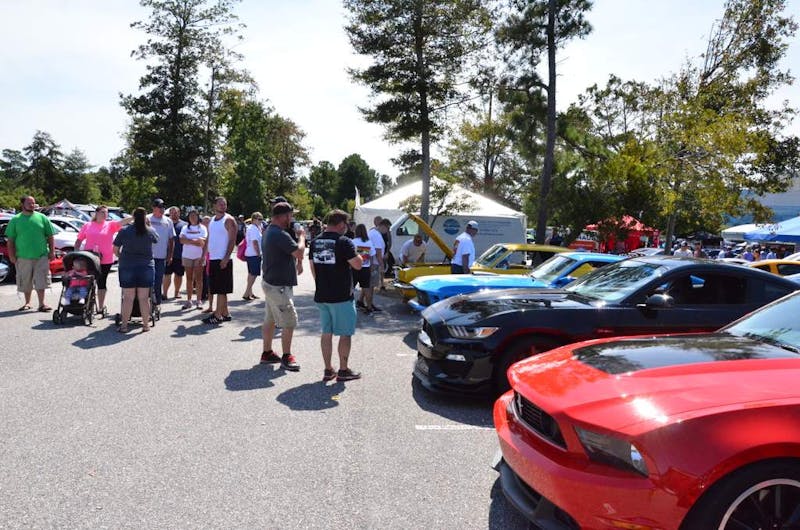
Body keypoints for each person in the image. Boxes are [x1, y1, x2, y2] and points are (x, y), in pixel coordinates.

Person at [309, 209, 364, 382]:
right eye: (346, 225)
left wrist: (321, 284)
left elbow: (313, 267)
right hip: (341, 296)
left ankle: (327, 369)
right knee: (345, 333)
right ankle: (343, 370)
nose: (347, 228)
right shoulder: (344, 242)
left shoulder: (315, 242)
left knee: (326, 332)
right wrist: (361, 255)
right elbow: (357, 265)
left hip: (322, 294)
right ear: (341, 224)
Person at [260, 201, 306, 371]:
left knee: (270, 319)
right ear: (284, 216)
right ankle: (287, 357)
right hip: (278, 286)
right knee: (289, 321)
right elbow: (299, 252)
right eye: (290, 215)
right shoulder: (279, 234)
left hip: (271, 283)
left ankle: (267, 352)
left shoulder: (270, 231)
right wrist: (302, 236)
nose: (292, 219)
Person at [75, 205, 133, 313]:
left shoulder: (110, 225)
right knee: (88, 281)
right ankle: (85, 305)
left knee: (102, 282)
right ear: (96, 213)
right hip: (90, 258)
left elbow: (121, 222)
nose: (105, 214)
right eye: (102, 212)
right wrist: (76, 252)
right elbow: (79, 240)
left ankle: (100, 307)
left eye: (106, 212)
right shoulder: (88, 225)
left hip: (105, 259)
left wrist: (133, 217)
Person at [5, 195, 56, 312]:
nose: (32, 205)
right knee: (25, 281)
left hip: (41, 256)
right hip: (23, 257)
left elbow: (50, 236)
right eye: (29, 203)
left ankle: (42, 304)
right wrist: (12, 256)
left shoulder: (42, 218)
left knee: (41, 280)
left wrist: (52, 251)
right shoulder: (15, 220)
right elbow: (10, 240)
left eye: (33, 203)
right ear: (22, 204)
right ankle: (27, 303)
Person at [113, 207, 159, 333]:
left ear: (133, 216)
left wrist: (120, 257)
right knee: (144, 298)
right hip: (146, 267)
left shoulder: (124, 231)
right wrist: (148, 225)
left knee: (128, 298)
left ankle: (124, 326)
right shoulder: (150, 231)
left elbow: (115, 249)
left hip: (127, 265)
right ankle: (145, 325)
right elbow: (156, 240)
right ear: (145, 217)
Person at [203, 197, 237, 325]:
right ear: (214, 206)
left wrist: (226, 257)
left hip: (223, 259)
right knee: (218, 287)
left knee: (221, 289)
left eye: (225, 204)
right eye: (220, 204)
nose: (223, 206)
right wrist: (204, 255)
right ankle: (225, 312)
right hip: (213, 258)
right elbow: (209, 239)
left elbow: (232, 240)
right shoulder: (212, 220)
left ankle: (217, 315)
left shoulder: (228, 220)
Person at [147, 198, 175, 305]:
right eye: (159, 207)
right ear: (154, 208)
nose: (162, 209)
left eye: (163, 207)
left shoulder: (168, 221)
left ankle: (157, 303)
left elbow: (171, 239)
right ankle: (146, 301)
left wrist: (170, 255)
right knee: (148, 280)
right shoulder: (147, 218)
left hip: (161, 256)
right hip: (147, 256)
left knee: (158, 280)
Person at [178, 210, 207, 310]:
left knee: (199, 279)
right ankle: (189, 300)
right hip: (187, 256)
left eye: (194, 216)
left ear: (198, 217)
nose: (193, 218)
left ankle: (198, 300)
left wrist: (188, 241)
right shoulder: (185, 227)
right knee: (189, 279)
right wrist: (195, 241)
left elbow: (202, 243)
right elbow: (181, 240)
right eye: (191, 216)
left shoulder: (202, 228)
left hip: (199, 256)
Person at [162, 206, 187, 300]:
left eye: (176, 212)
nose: (174, 214)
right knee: (167, 274)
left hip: (180, 254)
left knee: (179, 275)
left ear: (179, 213)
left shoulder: (184, 225)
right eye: (172, 212)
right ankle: (164, 294)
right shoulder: (165, 223)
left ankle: (177, 292)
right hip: (167, 254)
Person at [351, 223, 375, 312]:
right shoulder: (369, 242)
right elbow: (372, 255)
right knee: (366, 288)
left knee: (350, 288)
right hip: (365, 268)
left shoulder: (353, 242)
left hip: (354, 267)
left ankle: (350, 306)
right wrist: (371, 266)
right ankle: (369, 307)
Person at [242, 211, 264, 300]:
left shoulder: (254, 227)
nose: (260, 221)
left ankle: (250, 292)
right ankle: (247, 292)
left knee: (251, 273)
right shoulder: (253, 228)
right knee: (253, 274)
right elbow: (255, 242)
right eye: (259, 219)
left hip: (251, 253)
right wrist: (259, 254)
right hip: (253, 253)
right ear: (253, 219)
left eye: (261, 219)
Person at [366, 217, 386, 311]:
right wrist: (382, 265)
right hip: (374, 264)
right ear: (383, 226)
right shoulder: (377, 235)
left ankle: (366, 303)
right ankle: (369, 306)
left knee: (369, 286)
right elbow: (378, 252)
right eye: (387, 229)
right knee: (370, 286)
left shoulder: (372, 232)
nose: (387, 231)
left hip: (370, 263)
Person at [200, 215, 214, 314]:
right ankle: (209, 304)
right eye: (204, 222)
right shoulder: (201, 231)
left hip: (211, 257)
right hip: (202, 256)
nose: (206, 224)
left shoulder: (213, 232)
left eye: (208, 222)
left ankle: (212, 305)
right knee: (204, 279)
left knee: (210, 281)